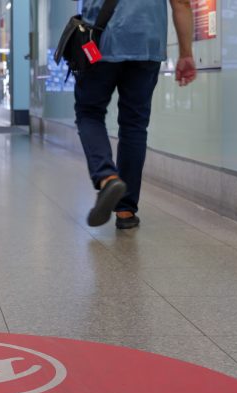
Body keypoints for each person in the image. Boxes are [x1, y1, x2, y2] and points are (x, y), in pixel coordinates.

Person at [76, 0, 196, 229]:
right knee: (134, 125)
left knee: (89, 112)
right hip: (147, 44)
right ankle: (125, 210)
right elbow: (181, 4)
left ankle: (107, 177)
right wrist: (186, 53)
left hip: (102, 37)